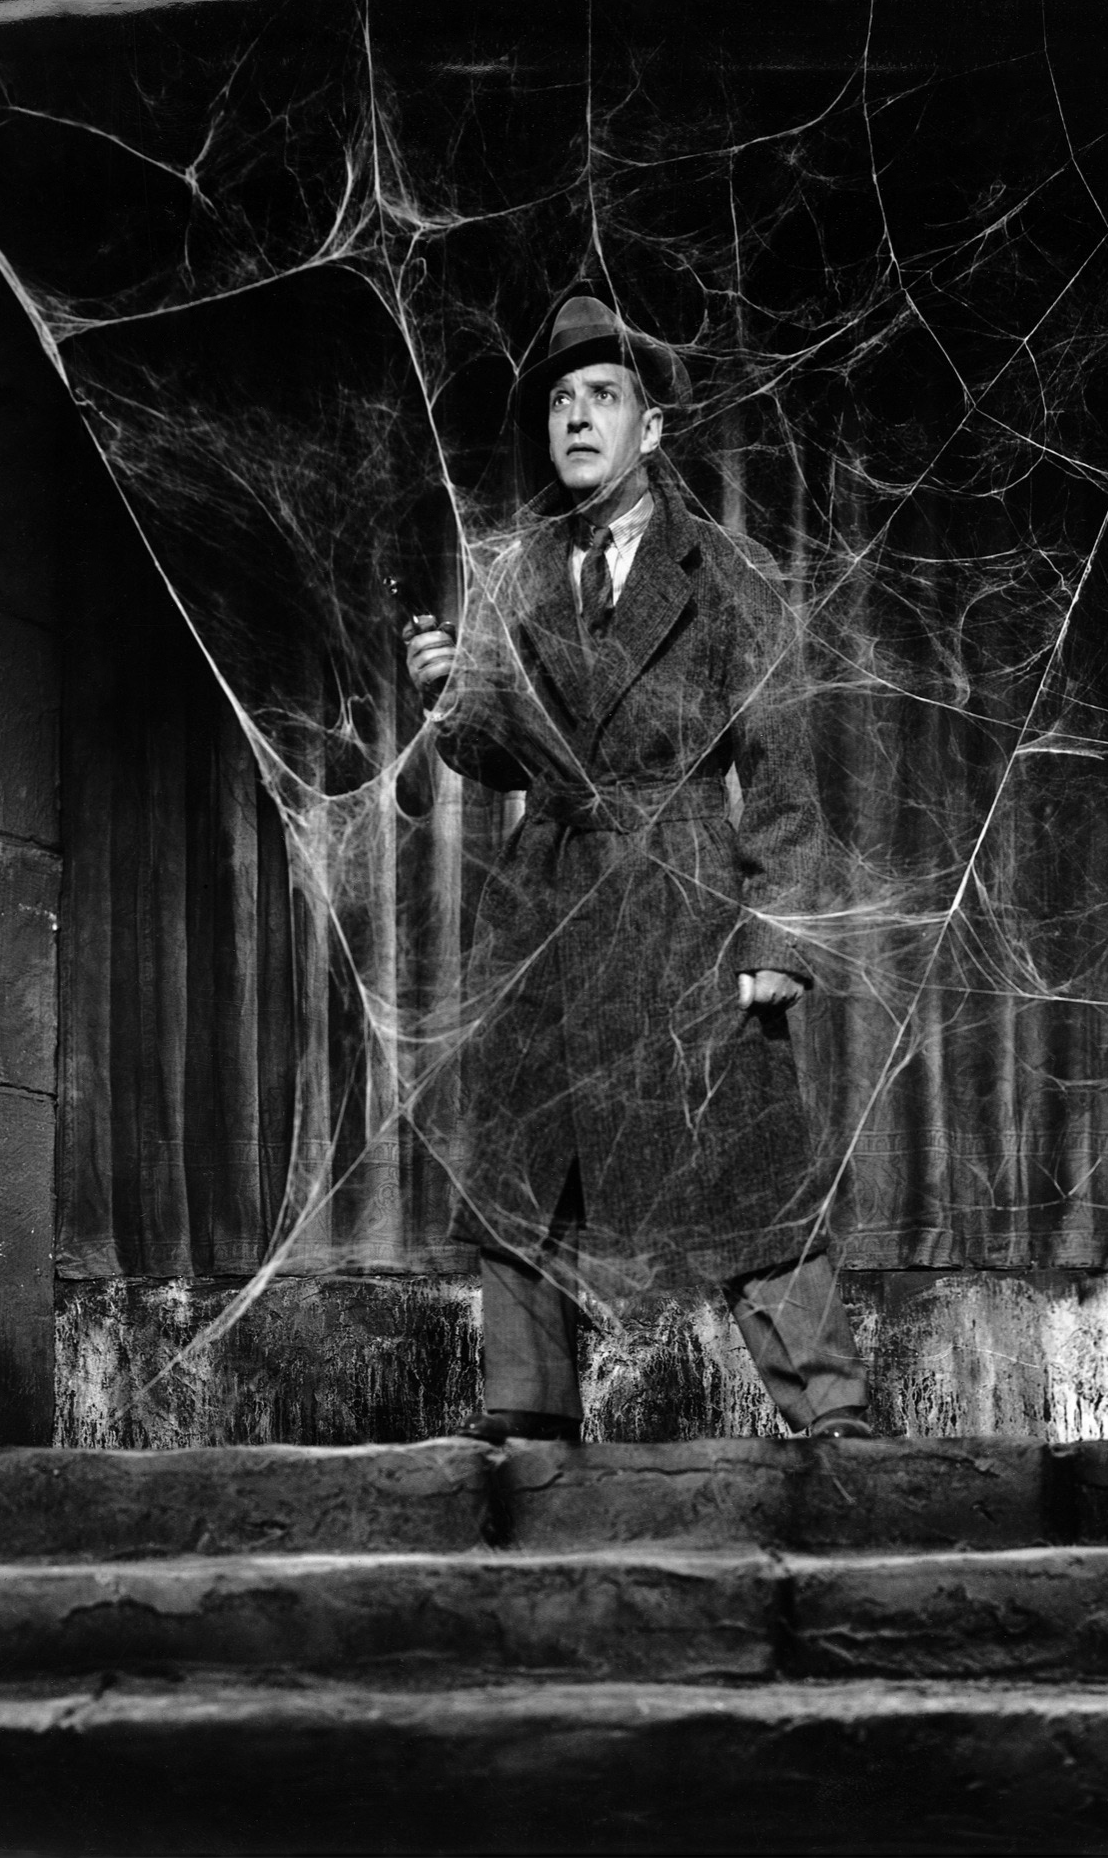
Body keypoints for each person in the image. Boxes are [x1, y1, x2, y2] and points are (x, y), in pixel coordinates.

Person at [405, 294, 872, 1443]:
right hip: (545, 906)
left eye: (602, 397)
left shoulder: (723, 571)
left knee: (748, 1163)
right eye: (560, 401)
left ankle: (834, 1421)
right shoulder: (519, 576)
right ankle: (526, 1431)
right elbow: (501, 755)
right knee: (522, 1167)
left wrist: (776, 935)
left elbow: (780, 769)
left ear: (648, 428)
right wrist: (448, 702)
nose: (575, 417)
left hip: (681, 901)